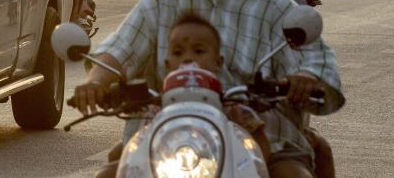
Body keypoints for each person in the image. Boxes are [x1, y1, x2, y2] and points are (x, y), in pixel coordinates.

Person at [73, 0, 344, 178]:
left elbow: (314, 59)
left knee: (294, 175)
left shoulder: (273, 1)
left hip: (268, 144)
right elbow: (118, 51)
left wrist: (306, 76)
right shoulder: (159, 0)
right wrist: (95, 84)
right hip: (165, 140)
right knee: (107, 175)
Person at [96, 13, 272, 177]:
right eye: (178, 53)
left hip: (220, 171)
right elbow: (144, 151)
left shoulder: (234, 109)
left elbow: (260, 153)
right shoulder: (155, 111)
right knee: (107, 172)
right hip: (168, 168)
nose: (188, 58)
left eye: (198, 51)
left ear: (218, 62)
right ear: (168, 64)